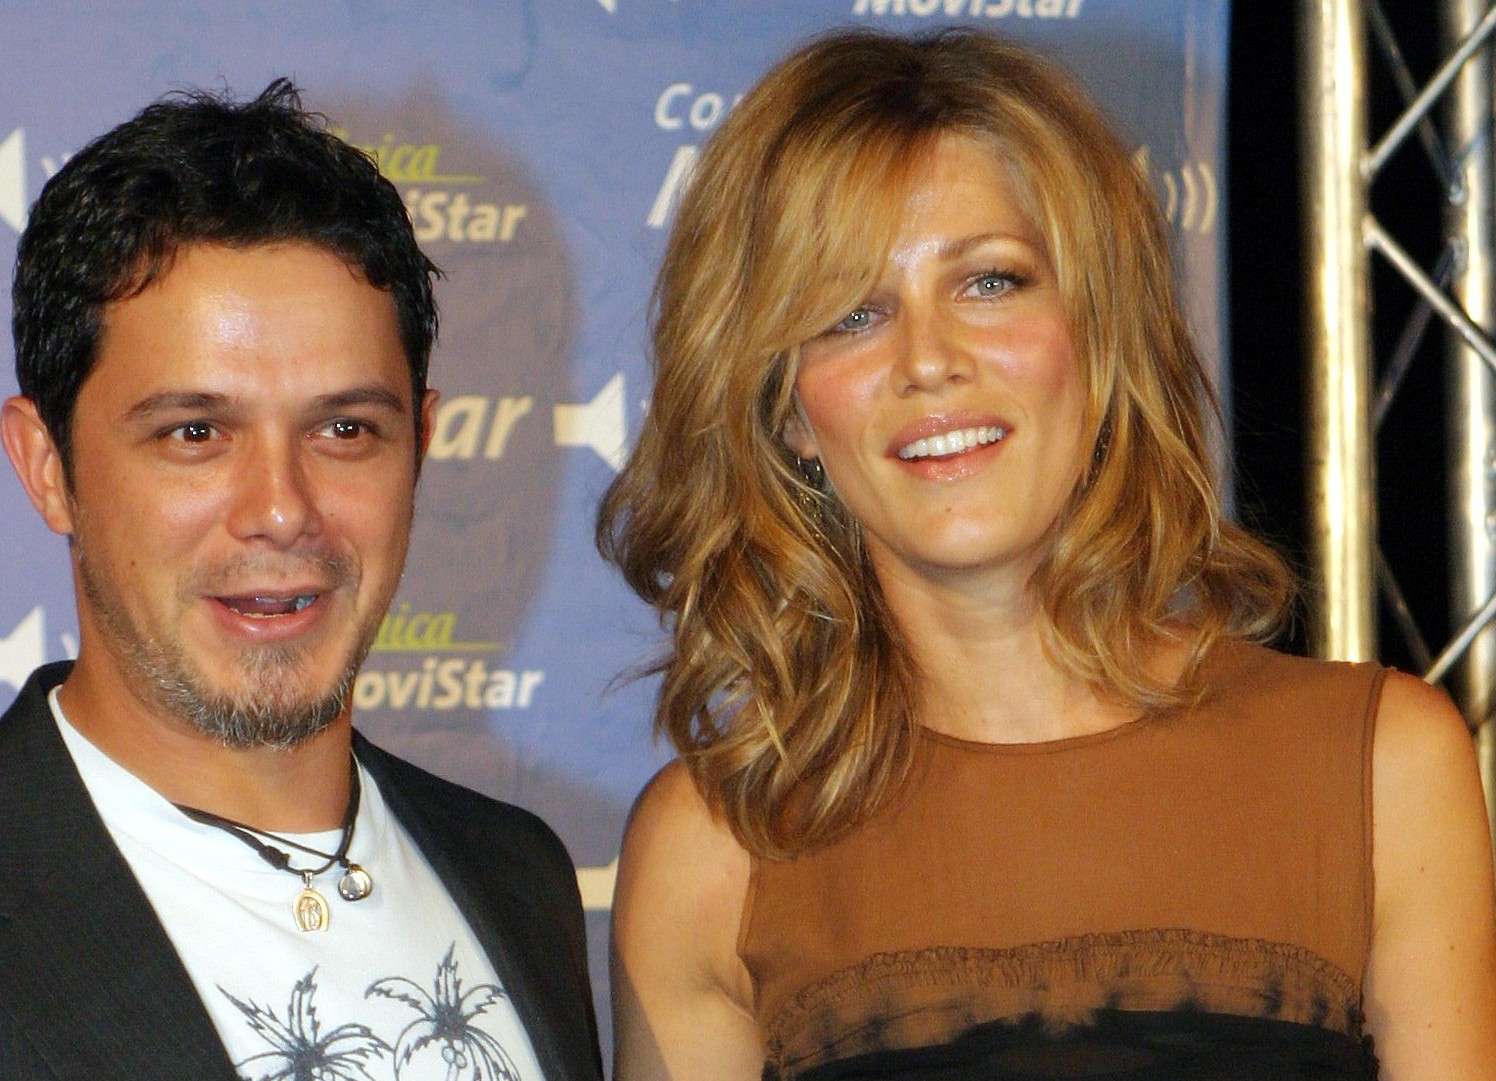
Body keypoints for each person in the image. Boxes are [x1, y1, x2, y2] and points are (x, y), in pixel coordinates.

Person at [597, 27, 1496, 1081]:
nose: (928, 360)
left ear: (1099, 331)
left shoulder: (1382, 768)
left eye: (990, 282)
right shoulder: (713, 854)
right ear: (788, 411)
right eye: (851, 313)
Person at [0, 81, 602, 1081]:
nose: (281, 508)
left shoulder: (518, 874)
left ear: (420, 445)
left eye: (345, 429)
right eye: (195, 432)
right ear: (47, 466)